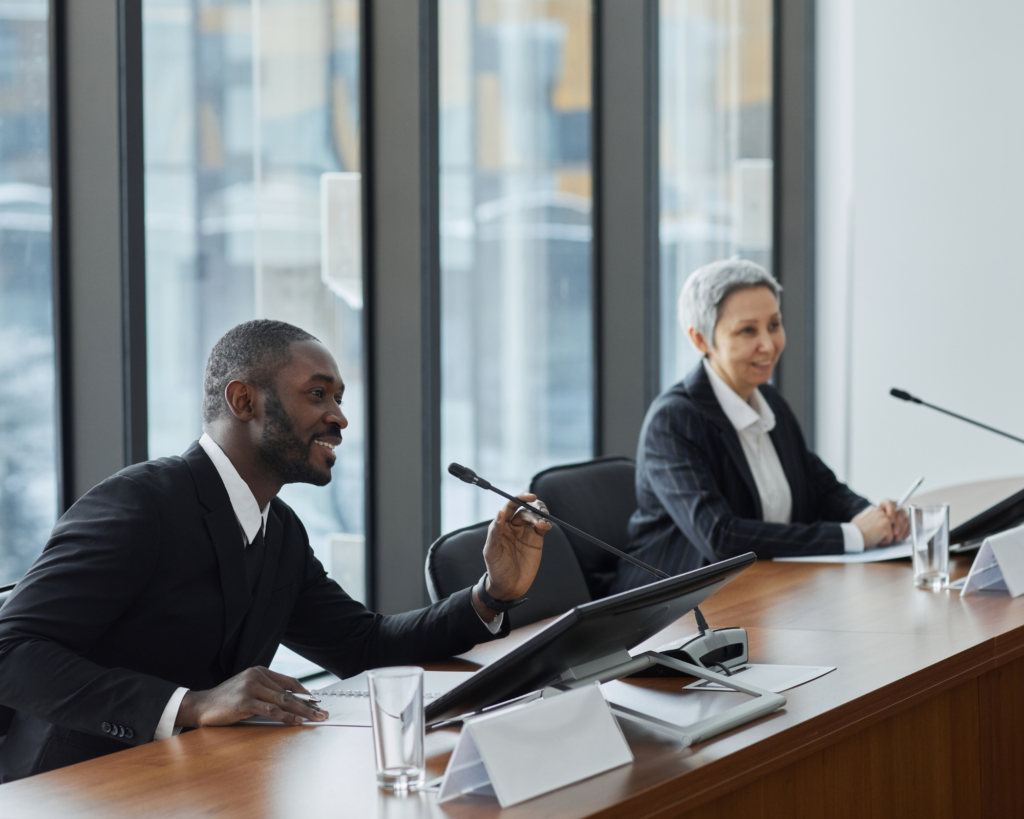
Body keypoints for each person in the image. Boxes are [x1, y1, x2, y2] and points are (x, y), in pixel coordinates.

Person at [0, 320, 551, 781]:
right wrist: (191, 703)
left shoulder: (279, 529)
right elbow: (11, 651)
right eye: (317, 394)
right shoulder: (141, 503)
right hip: (75, 786)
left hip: (197, 781)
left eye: (338, 398)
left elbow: (364, 646)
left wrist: (491, 594)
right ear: (244, 400)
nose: (340, 417)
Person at [611, 259, 909, 592]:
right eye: (747, 331)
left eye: (774, 325)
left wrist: (875, 516)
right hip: (675, 603)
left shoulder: (769, 400)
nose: (768, 344)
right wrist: (852, 536)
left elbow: (821, 487)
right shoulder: (673, 420)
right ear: (701, 340)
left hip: (765, 589)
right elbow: (720, 536)